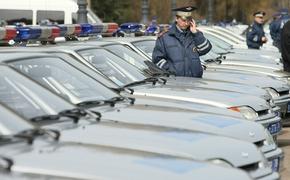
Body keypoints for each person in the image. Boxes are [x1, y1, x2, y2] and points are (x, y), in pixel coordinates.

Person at [152, 6, 212, 78]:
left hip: (195, 81)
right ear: (176, 18)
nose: (186, 23)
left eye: (189, 20)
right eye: (184, 20)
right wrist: (171, 71)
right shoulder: (164, 37)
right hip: (175, 82)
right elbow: (157, 59)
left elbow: (206, 49)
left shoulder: (195, 34)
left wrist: (195, 33)